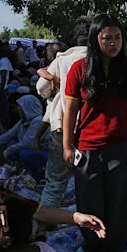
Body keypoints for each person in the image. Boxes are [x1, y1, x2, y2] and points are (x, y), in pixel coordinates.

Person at [62, 13, 127, 252]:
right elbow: (70, 111)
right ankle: (91, 246)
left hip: (120, 147)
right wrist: (67, 145)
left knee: (118, 203)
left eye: (117, 38)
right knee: (89, 201)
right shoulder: (79, 70)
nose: (113, 43)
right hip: (87, 148)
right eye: (107, 38)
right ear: (95, 40)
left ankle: (112, 250)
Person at [36, 21, 89, 207]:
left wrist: (54, 91)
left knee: (56, 182)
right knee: (90, 180)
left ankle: (44, 225)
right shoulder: (99, 59)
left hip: (61, 125)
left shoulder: (62, 59)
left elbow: (40, 87)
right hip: (90, 127)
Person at [0, 94, 47, 180]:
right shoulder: (22, 122)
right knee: (12, 143)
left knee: (23, 153)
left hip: (43, 153)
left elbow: (28, 143)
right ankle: (23, 168)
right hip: (31, 151)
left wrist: (8, 151)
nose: (18, 110)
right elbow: (9, 135)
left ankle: (37, 175)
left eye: (20, 107)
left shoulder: (38, 121)